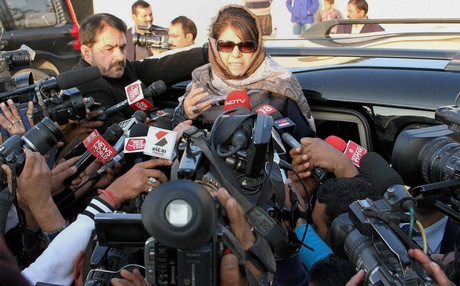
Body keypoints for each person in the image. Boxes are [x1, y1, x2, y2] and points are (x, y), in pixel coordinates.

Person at [171, 4, 315, 138]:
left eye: (246, 45)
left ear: (257, 46)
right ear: (214, 47)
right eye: (226, 45)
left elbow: (303, 142)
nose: (236, 54)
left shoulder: (280, 82)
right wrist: (185, 113)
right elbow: (174, 136)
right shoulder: (202, 81)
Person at [74, 13, 208, 132]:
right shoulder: (86, 86)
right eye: (109, 49)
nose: (120, 56)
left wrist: (207, 53)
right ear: (86, 52)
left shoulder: (122, 69)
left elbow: (161, 67)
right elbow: (122, 137)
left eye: (122, 47)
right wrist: (179, 117)